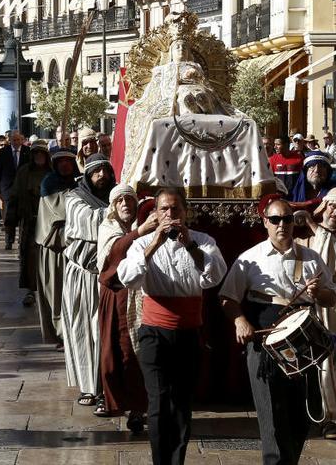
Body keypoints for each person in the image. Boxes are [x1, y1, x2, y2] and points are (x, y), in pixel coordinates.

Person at [219, 196, 336, 465]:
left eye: (286, 219)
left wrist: (319, 293)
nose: (281, 224)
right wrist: (239, 321)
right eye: (275, 219)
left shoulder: (311, 258)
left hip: (305, 340)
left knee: (302, 411)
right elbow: (227, 297)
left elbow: (332, 298)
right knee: (271, 413)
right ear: (265, 222)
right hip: (265, 338)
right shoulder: (250, 258)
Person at [117, 189, 227, 465]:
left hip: (188, 331)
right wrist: (153, 244)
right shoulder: (142, 244)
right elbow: (128, 278)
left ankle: (177, 460)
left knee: (180, 403)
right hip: (154, 331)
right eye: (164, 209)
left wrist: (189, 245)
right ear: (155, 213)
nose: (169, 215)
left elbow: (214, 277)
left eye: (175, 209)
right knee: (158, 400)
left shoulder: (203, 242)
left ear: (185, 212)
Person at [295, 187, 336, 440]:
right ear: (325, 207)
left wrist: (311, 222)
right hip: (310, 305)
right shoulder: (308, 236)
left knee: (334, 361)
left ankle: (335, 417)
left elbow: (331, 255)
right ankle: (317, 413)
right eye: (332, 206)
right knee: (311, 361)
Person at [97, 184, 157, 433]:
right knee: (117, 353)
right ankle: (116, 401)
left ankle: (138, 409)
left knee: (137, 353)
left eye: (129, 200)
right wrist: (139, 232)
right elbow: (112, 256)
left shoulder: (146, 226)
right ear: (113, 206)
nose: (125, 204)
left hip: (140, 294)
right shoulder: (107, 228)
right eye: (119, 200)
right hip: (116, 294)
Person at [61, 154, 115, 413]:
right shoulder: (74, 198)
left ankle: (107, 387)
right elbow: (92, 223)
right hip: (82, 277)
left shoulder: (115, 196)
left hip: (108, 278)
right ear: (87, 175)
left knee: (104, 334)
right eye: (96, 172)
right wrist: (122, 208)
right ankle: (88, 387)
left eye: (105, 170)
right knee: (84, 332)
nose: (101, 176)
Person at [34, 149, 80, 348]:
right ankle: (61, 332)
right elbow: (62, 211)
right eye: (60, 161)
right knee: (56, 290)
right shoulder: (49, 184)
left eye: (68, 161)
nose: (64, 165)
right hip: (55, 248)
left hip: (75, 246)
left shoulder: (78, 182)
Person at [6, 140, 51, 306]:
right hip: (30, 220)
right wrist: (10, 223)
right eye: (36, 153)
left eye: (42, 153)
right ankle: (30, 290)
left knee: (48, 256)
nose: (39, 156)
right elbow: (14, 196)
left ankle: (49, 290)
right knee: (30, 257)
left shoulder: (52, 172)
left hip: (50, 223)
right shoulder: (24, 172)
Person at [0, 131, 31, 250]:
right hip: (8, 189)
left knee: (23, 216)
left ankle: (21, 239)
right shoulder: (3, 152)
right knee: (9, 217)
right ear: (10, 141)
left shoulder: (28, 152)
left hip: (23, 188)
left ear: (22, 140)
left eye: (18, 140)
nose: (16, 142)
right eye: (14, 140)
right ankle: (9, 241)